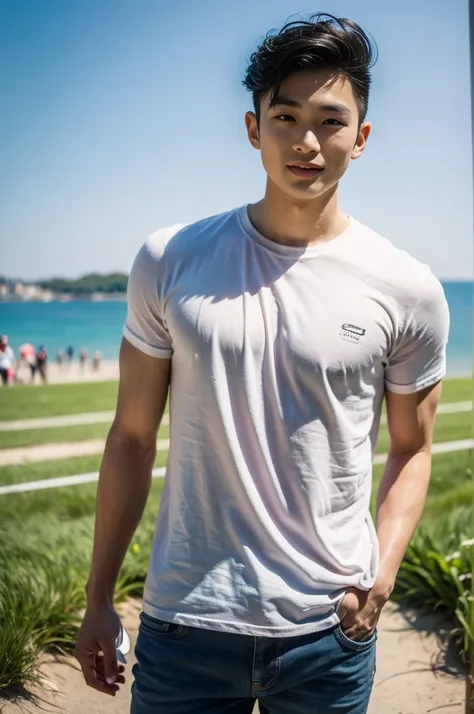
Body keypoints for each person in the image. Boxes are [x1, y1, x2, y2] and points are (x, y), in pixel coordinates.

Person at [75, 14, 450, 714]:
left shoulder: (408, 288)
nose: (307, 142)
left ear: (361, 138)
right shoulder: (171, 258)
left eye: (330, 121)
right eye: (285, 116)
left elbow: (413, 447)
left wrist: (382, 578)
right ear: (254, 129)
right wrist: (98, 598)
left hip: (327, 635)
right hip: (186, 623)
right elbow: (130, 437)